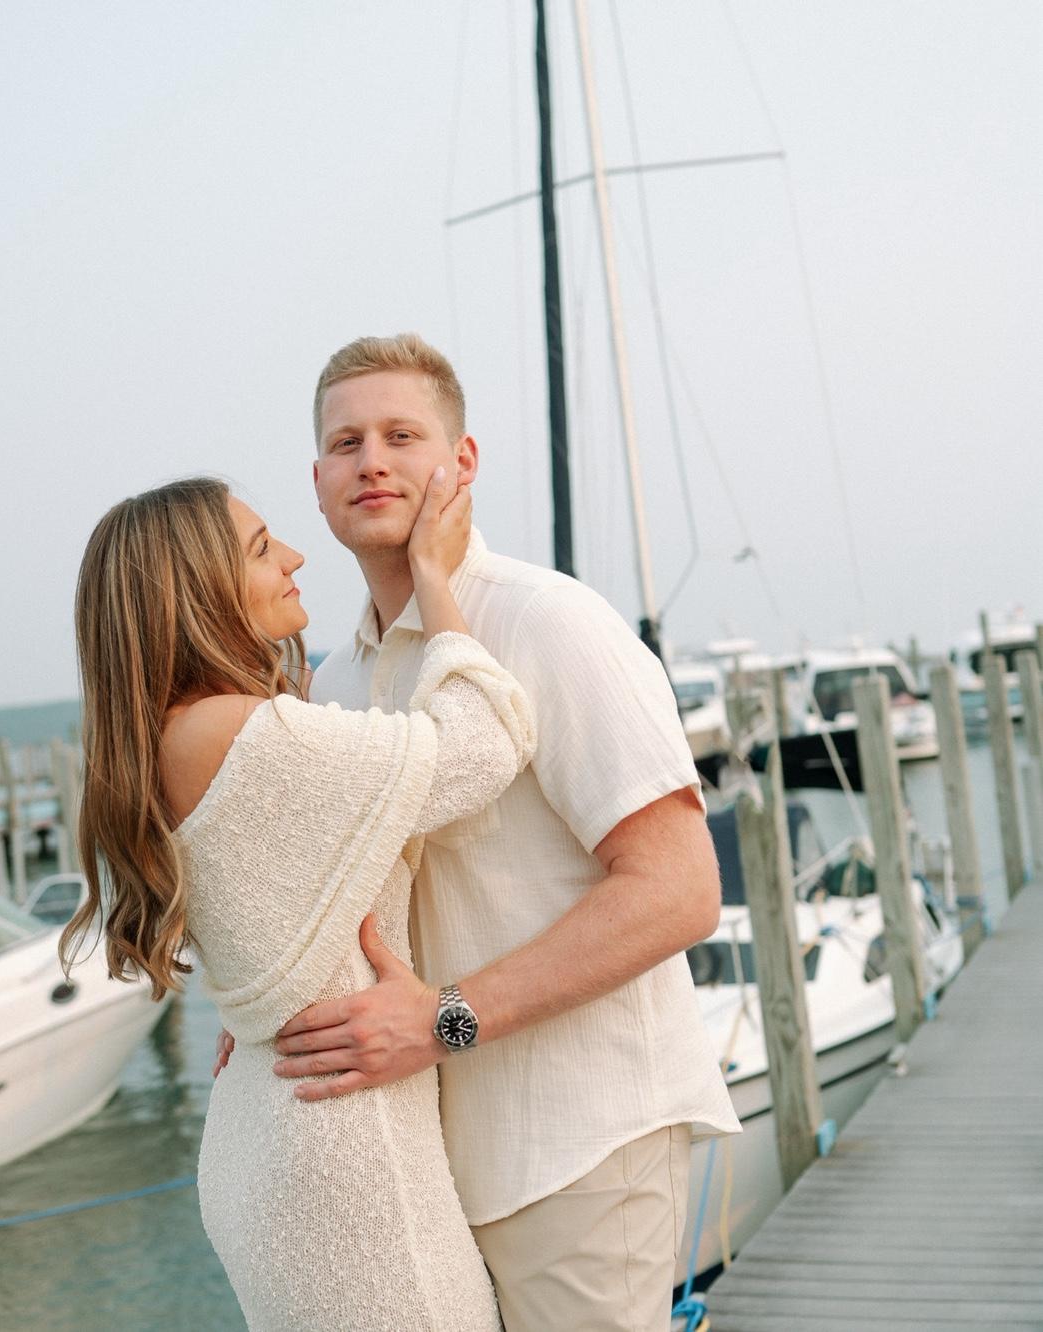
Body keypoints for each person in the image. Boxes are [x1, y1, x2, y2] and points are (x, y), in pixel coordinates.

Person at [263, 333, 741, 1331]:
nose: (372, 461)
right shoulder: (336, 681)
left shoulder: (550, 623)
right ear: (318, 483)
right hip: (426, 1166)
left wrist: (440, 1019)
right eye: (347, 443)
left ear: (462, 461)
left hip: (581, 1143)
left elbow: (679, 888)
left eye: (402, 436)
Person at [61, 473, 536, 1331]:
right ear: (196, 591)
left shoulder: (175, 739)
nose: (293, 557)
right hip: (341, 1149)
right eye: (259, 548)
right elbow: (482, 746)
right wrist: (434, 578)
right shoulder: (241, 732)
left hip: (267, 1126)